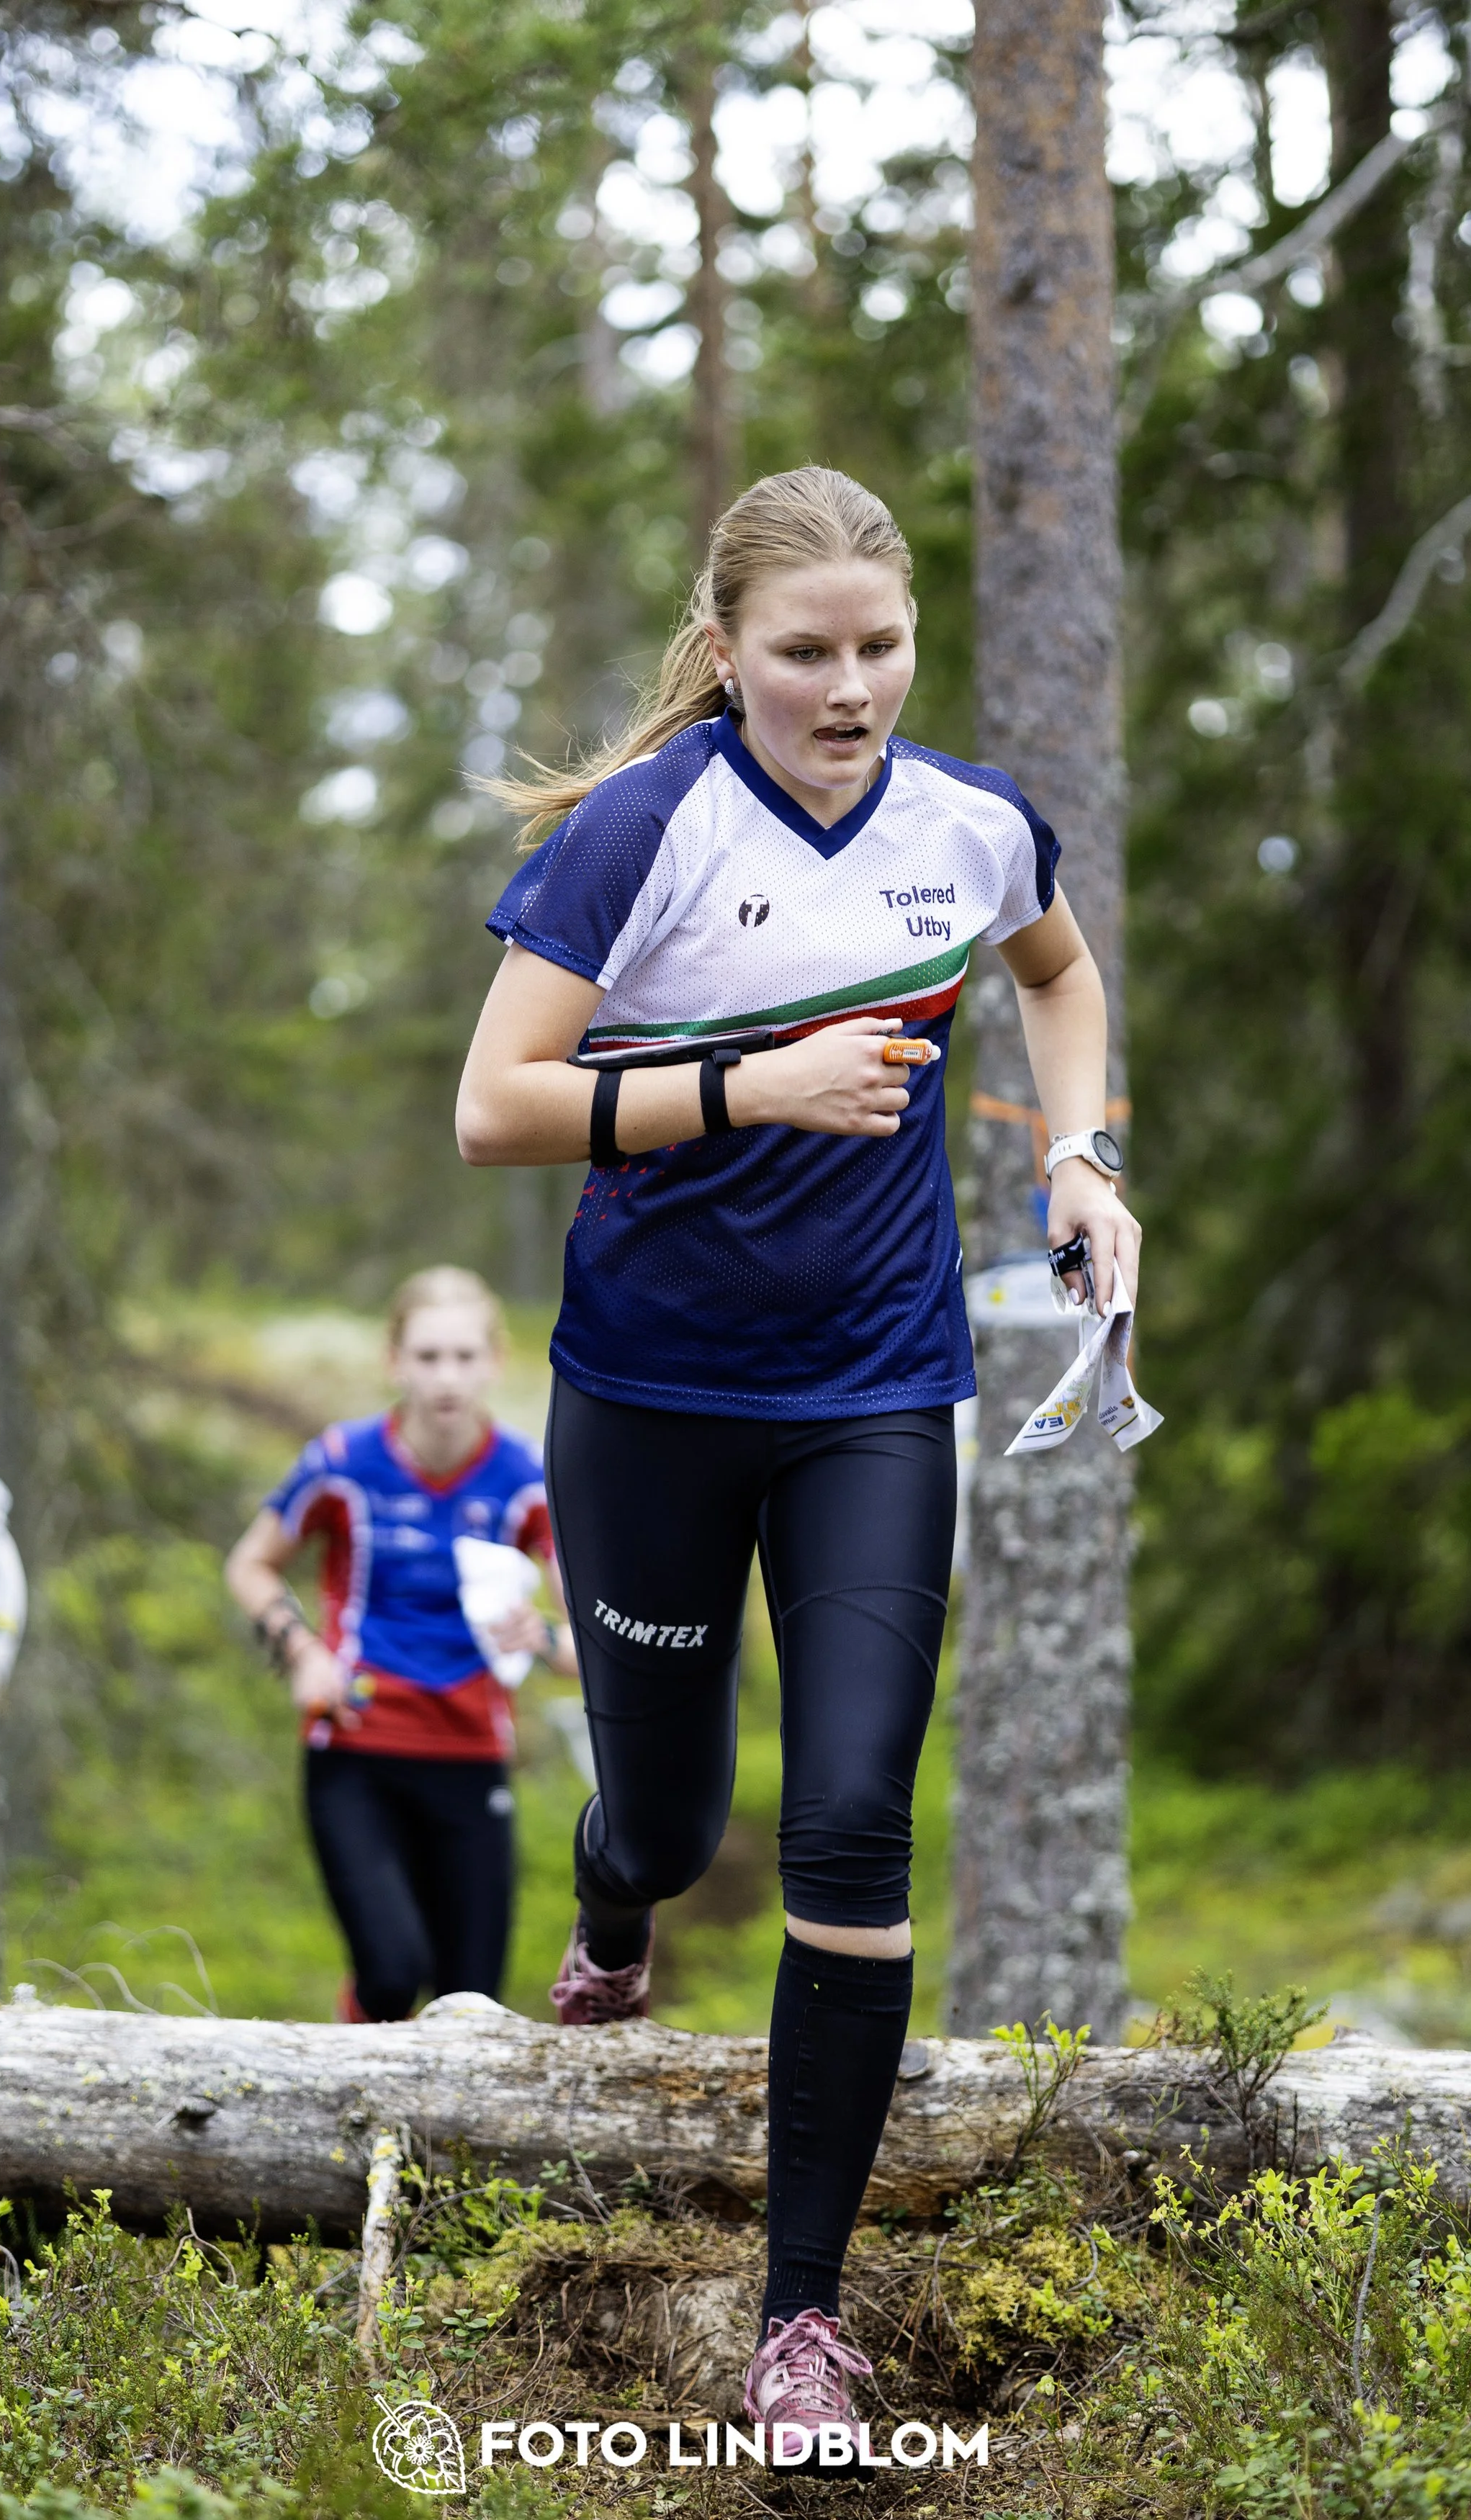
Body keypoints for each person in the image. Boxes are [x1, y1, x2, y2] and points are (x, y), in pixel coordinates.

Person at [453, 466, 1141, 2458]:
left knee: (850, 1824)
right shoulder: (636, 834)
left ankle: (802, 2323)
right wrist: (754, 1082)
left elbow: (1059, 979)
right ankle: (612, 1902)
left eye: (879, 648)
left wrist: (1079, 1159)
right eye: (804, 653)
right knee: (665, 1822)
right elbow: (495, 1109)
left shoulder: (970, 820)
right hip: (653, 1400)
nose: (849, 688)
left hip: (871, 1391)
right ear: (728, 648)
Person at [224, 1266, 576, 2024]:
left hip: (471, 1750)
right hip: (356, 1744)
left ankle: (443, 2150)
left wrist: (545, 1633)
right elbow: (249, 1564)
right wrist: (300, 1646)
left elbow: (595, 1642)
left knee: (471, 2003)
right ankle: (366, 2138)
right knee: (390, 1970)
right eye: (426, 1356)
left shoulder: (524, 1476)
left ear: (495, 1360)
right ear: (393, 1360)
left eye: (462, 1355)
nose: (445, 1377)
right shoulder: (343, 1461)